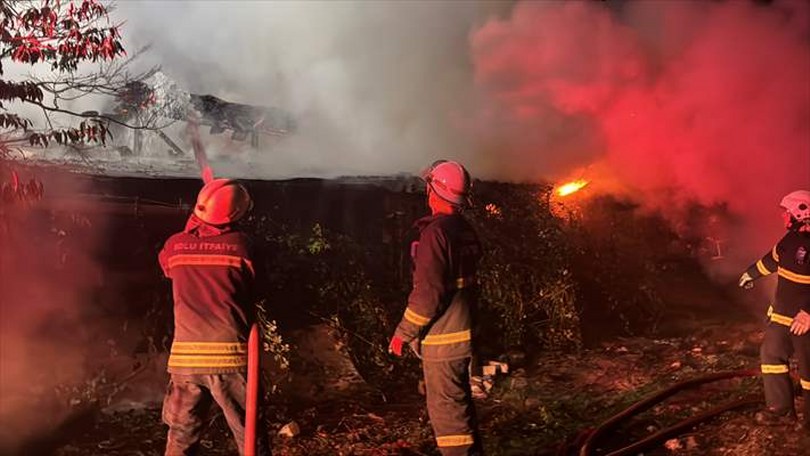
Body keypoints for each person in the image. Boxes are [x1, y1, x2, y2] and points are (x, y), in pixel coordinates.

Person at [158, 178, 270, 455]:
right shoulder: (242, 246)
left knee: (180, 436)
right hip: (230, 358)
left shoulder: (174, 245)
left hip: (186, 362)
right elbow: (258, 285)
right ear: (236, 214)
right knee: (249, 434)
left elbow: (168, 269)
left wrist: (193, 229)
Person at [389, 160, 484, 455]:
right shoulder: (464, 229)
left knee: (449, 418)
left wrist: (402, 333)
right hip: (463, 334)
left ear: (434, 190)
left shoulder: (436, 233)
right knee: (460, 407)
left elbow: (428, 296)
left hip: (444, 340)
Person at [739, 189, 810, 431]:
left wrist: (808, 313)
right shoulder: (789, 241)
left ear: (801, 212)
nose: (783, 216)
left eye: (786, 212)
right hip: (782, 315)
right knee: (771, 355)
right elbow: (771, 260)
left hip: (805, 320)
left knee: (808, 370)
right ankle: (781, 411)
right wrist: (750, 274)